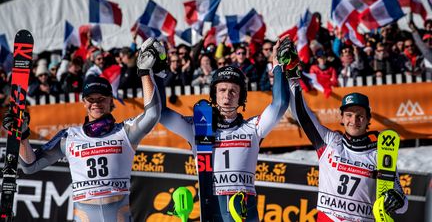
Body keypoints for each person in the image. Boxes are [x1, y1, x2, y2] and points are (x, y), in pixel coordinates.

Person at [3, 38, 163, 221]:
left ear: (111, 100)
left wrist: (144, 72)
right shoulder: (69, 136)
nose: (96, 103)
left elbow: (152, 114)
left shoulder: (125, 131)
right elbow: (30, 166)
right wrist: (22, 135)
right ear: (83, 102)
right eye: (91, 99)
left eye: (101, 98)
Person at [154, 37, 290, 221]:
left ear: (241, 97)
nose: (227, 97)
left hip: (244, 212)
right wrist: (158, 72)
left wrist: (277, 65)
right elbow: (160, 113)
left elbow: (280, 103)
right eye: (222, 90)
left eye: (234, 91)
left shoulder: (253, 128)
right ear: (214, 94)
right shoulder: (197, 127)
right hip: (212, 210)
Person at [286, 60, 408, 220]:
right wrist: (292, 76)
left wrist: (396, 200)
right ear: (342, 118)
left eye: (360, 116)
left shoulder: (380, 154)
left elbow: (403, 205)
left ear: (368, 119)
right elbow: (302, 114)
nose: (354, 120)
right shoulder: (329, 142)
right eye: (349, 115)